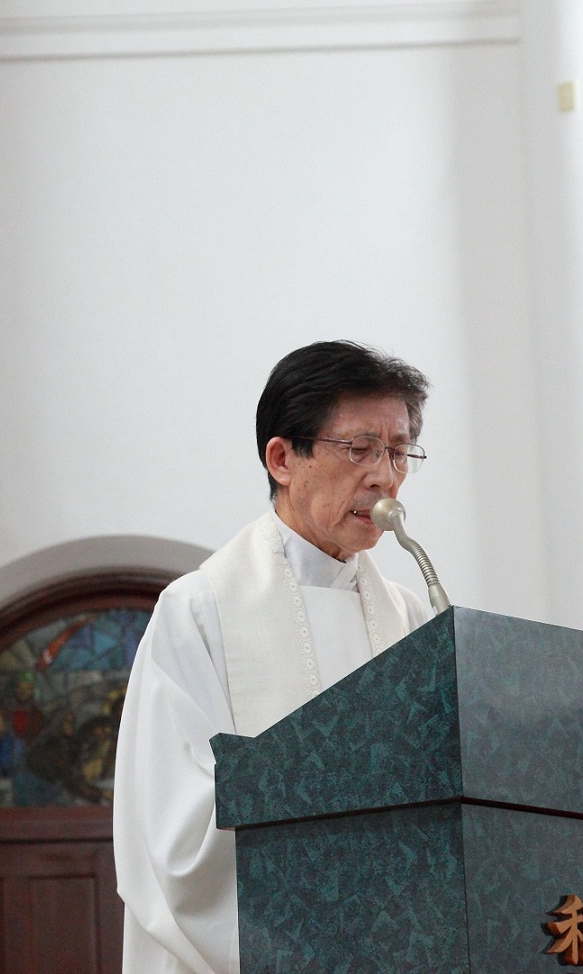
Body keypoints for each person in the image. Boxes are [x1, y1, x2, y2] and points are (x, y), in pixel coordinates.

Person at [113, 341, 433, 973]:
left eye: (399, 452)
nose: (385, 476)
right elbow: (172, 833)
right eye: (361, 449)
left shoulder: (411, 619)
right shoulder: (200, 611)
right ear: (283, 458)